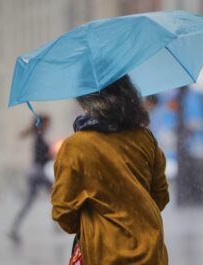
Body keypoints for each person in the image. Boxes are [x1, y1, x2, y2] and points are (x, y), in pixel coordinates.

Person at [51, 75, 170, 265]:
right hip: (151, 252)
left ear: (87, 99)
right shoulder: (145, 140)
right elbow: (160, 197)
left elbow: (64, 214)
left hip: (104, 255)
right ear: (127, 93)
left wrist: (93, 219)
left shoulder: (75, 147)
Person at [8, 114, 53, 244]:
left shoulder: (38, 135)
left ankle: (14, 227)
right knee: (57, 194)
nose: (49, 126)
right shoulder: (39, 137)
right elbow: (40, 157)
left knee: (29, 202)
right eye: (48, 123)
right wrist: (50, 155)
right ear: (43, 123)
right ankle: (60, 224)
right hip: (37, 172)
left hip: (33, 172)